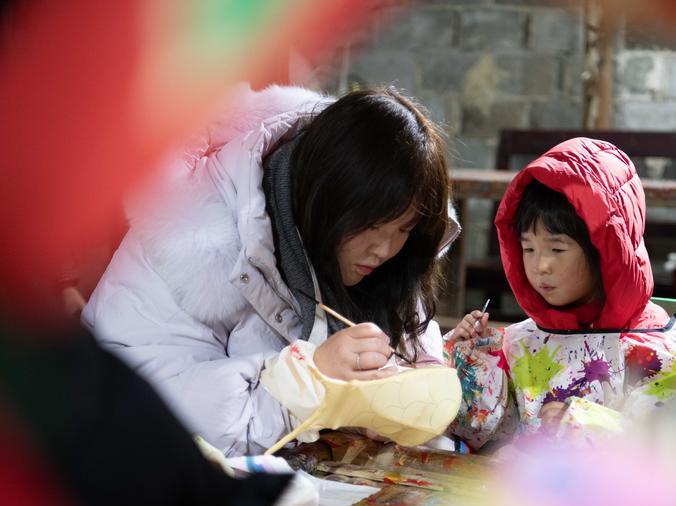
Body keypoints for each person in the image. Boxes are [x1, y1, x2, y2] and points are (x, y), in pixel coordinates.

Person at [83, 85, 459, 456]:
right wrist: (312, 380)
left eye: (404, 230)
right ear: (326, 197)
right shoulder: (191, 238)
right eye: (371, 226)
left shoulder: (389, 264)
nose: (384, 250)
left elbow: (409, 339)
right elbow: (167, 416)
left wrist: (387, 397)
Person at [445, 138, 676, 450]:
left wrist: (582, 422)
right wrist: (469, 362)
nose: (540, 266)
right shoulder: (522, 342)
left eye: (557, 249)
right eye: (528, 248)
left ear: (604, 251)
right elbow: (484, 435)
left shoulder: (652, 352)